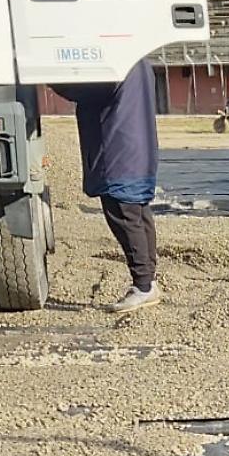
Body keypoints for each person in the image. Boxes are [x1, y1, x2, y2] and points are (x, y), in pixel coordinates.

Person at [57, 58, 161, 313]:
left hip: (119, 150)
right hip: (137, 148)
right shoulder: (141, 61)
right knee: (138, 213)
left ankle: (143, 286)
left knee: (124, 216)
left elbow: (85, 91)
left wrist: (51, 76)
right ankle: (149, 281)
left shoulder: (117, 62)